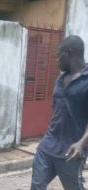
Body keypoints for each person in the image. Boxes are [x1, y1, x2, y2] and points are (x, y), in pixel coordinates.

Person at [31, 35, 88, 190]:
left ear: (69, 53)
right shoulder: (60, 79)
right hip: (47, 147)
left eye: (59, 56)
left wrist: (82, 143)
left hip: (71, 152)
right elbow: (57, 111)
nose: (57, 61)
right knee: (36, 186)